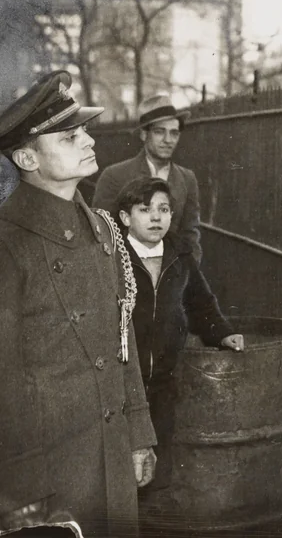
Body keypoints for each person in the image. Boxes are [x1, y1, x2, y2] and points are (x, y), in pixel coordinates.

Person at [0, 71, 157, 537]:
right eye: (70, 137)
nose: (88, 141)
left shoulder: (103, 228)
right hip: (46, 474)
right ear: (27, 158)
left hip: (109, 454)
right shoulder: (9, 245)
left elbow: (121, 339)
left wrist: (138, 435)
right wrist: (19, 492)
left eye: (83, 130)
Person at [113, 175, 243, 493]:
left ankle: (155, 511)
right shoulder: (113, 259)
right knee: (122, 463)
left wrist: (222, 333)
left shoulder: (179, 259)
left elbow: (201, 304)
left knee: (161, 460)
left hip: (163, 382)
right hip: (121, 383)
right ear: (126, 218)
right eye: (145, 209)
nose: (156, 217)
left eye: (164, 209)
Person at [91, 94, 203, 264]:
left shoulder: (187, 179)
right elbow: (102, 234)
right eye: (159, 132)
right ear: (144, 134)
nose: (168, 140)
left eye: (174, 133)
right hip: (127, 275)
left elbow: (190, 235)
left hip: (171, 277)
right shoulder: (115, 176)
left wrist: (187, 277)